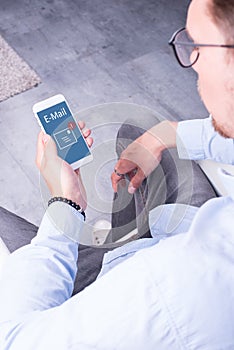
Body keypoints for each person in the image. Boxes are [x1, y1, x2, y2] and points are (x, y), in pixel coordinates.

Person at [0, 0, 234, 348]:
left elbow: (15, 339)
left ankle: (104, 243)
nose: (191, 66)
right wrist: (165, 135)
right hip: (170, 239)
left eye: (196, 47)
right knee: (143, 130)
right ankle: (122, 236)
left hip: (116, 292)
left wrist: (65, 204)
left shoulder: (175, 288)